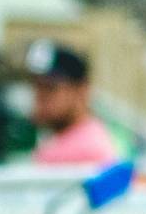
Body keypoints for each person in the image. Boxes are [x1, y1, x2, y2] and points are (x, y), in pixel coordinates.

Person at [23, 39, 119, 167]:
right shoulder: (71, 139)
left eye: (50, 88)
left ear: (82, 90)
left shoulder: (87, 149)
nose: (39, 97)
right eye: (36, 87)